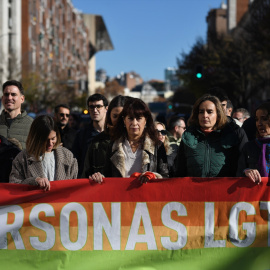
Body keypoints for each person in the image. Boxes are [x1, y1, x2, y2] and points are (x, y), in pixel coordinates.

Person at [90, 98, 169, 183]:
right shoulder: (113, 145)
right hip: (121, 195)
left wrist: (153, 176)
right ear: (124, 120)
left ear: (145, 120)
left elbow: (165, 176)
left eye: (139, 118)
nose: (134, 123)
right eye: (130, 118)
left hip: (147, 195)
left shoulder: (157, 145)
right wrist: (99, 177)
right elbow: (107, 175)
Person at [174, 94, 248, 177]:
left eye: (210, 112)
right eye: (201, 112)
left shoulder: (232, 134)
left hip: (223, 189)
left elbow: (242, 166)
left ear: (218, 114)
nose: (205, 116)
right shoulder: (188, 136)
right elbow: (179, 171)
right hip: (194, 189)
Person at [9, 115, 78, 190]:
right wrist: (33, 181)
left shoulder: (68, 156)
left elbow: (74, 186)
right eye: (45, 140)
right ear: (35, 138)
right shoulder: (22, 158)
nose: (50, 143)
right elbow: (14, 185)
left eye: (53, 138)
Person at [82, 95, 129, 177]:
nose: (119, 120)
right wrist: (94, 177)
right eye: (115, 116)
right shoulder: (97, 143)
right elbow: (86, 174)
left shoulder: (140, 142)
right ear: (109, 116)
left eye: (123, 116)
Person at [72, 94, 108, 177]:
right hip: (88, 183)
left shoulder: (114, 134)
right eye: (91, 107)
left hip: (110, 183)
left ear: (106, 108)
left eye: (98, 106)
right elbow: (76, 162)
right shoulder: (81, 135)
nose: (95, 110)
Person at [237, 102, 270, 183]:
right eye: (257, 119)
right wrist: (246, 172)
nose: (259, 123)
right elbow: (238, 174)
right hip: (255, 194)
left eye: (264, 119)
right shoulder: (249, 147)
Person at [0, 80, 33, 149]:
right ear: (2, 98)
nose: (9, 98)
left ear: (22, 99)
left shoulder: (32, 125)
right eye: (6, 94)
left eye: (13, 94)